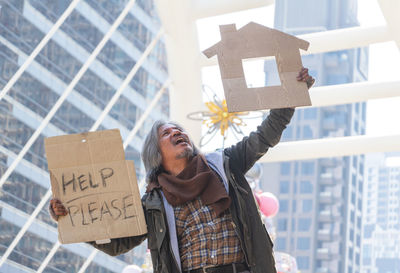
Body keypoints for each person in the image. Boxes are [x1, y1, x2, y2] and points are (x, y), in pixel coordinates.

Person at [50, 68, 315, 273]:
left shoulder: (225, 165)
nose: (178, 132)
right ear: (156, 154)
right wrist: (71, 217)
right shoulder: (153, 204)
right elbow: (118, 242)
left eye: (180, 130)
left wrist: (290, 96)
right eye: (167, 133)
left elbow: (263, 137)